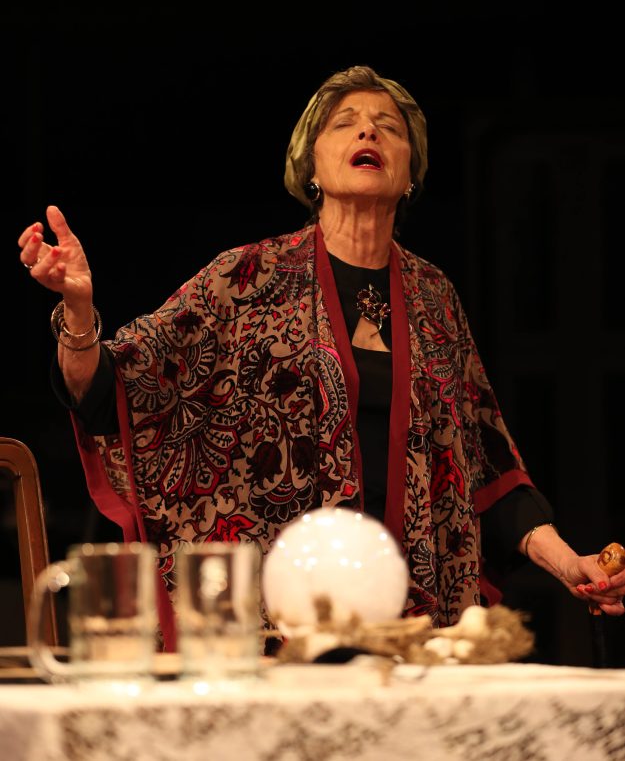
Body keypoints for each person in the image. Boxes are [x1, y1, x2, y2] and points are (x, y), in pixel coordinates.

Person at [18, 65, 625, 652]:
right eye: (346, 122)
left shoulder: (434, 297)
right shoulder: (247, 278)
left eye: (388, 126)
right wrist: (78, 310)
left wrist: (569, 563)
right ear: (310, 166)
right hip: (275, 627)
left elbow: (487, 468)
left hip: (414, 629)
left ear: (410, 174)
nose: (368, 132)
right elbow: (113, 392)